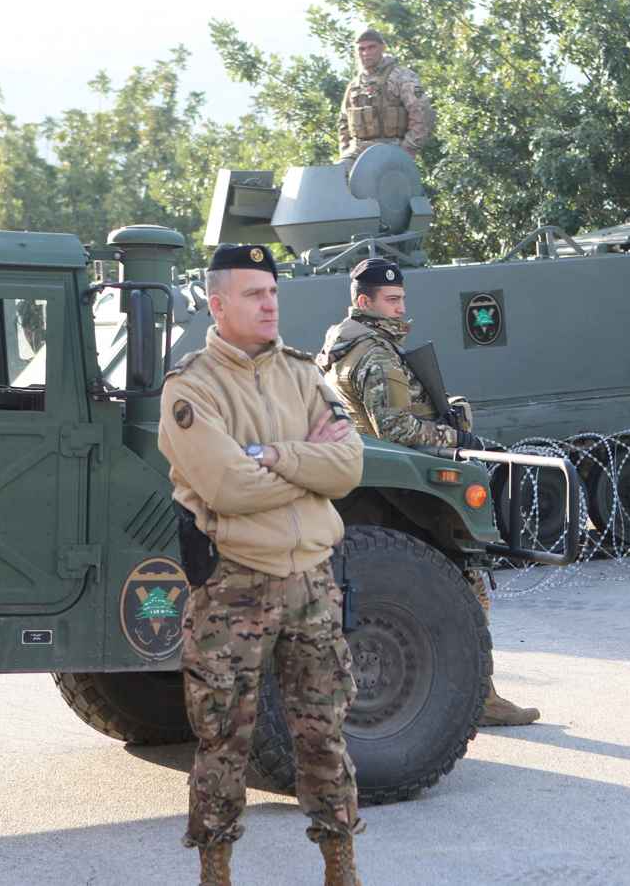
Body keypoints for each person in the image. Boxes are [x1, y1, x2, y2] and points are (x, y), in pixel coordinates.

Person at [159, 243, 366, 885]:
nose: (270, 303)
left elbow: (349, 467)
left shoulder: (304, 374)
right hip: (234, 587)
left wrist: (272, 454)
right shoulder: (192, 387)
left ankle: (341, 868)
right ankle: (216, 871)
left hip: (311, 582)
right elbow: (228, 487)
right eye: (254, 293)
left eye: (273, 291)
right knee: (224, 739)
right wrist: (307, 465)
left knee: (324, 733)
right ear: (218, 304)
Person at [315, 256, 542, 727]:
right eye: (392, 300)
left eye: (401, 298)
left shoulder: (338, 347)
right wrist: (458, 438)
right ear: (365, 301)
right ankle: (481, 697)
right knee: (466, 592)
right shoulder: (374, 354)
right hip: (403, 492)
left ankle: (466, 695)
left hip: (369, 488)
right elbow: (396, 428)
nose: (401, 308)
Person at [337, 28, 434, 163]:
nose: (366, 53)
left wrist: (408, 148)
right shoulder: (355, 85)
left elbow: (422, 113)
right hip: (357, 150)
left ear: (382, 48)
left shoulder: (401, 77)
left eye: (371, 47)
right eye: (361, 49)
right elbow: (344, 122)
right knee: (338, 171)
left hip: (391, 147)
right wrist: (345, 149)